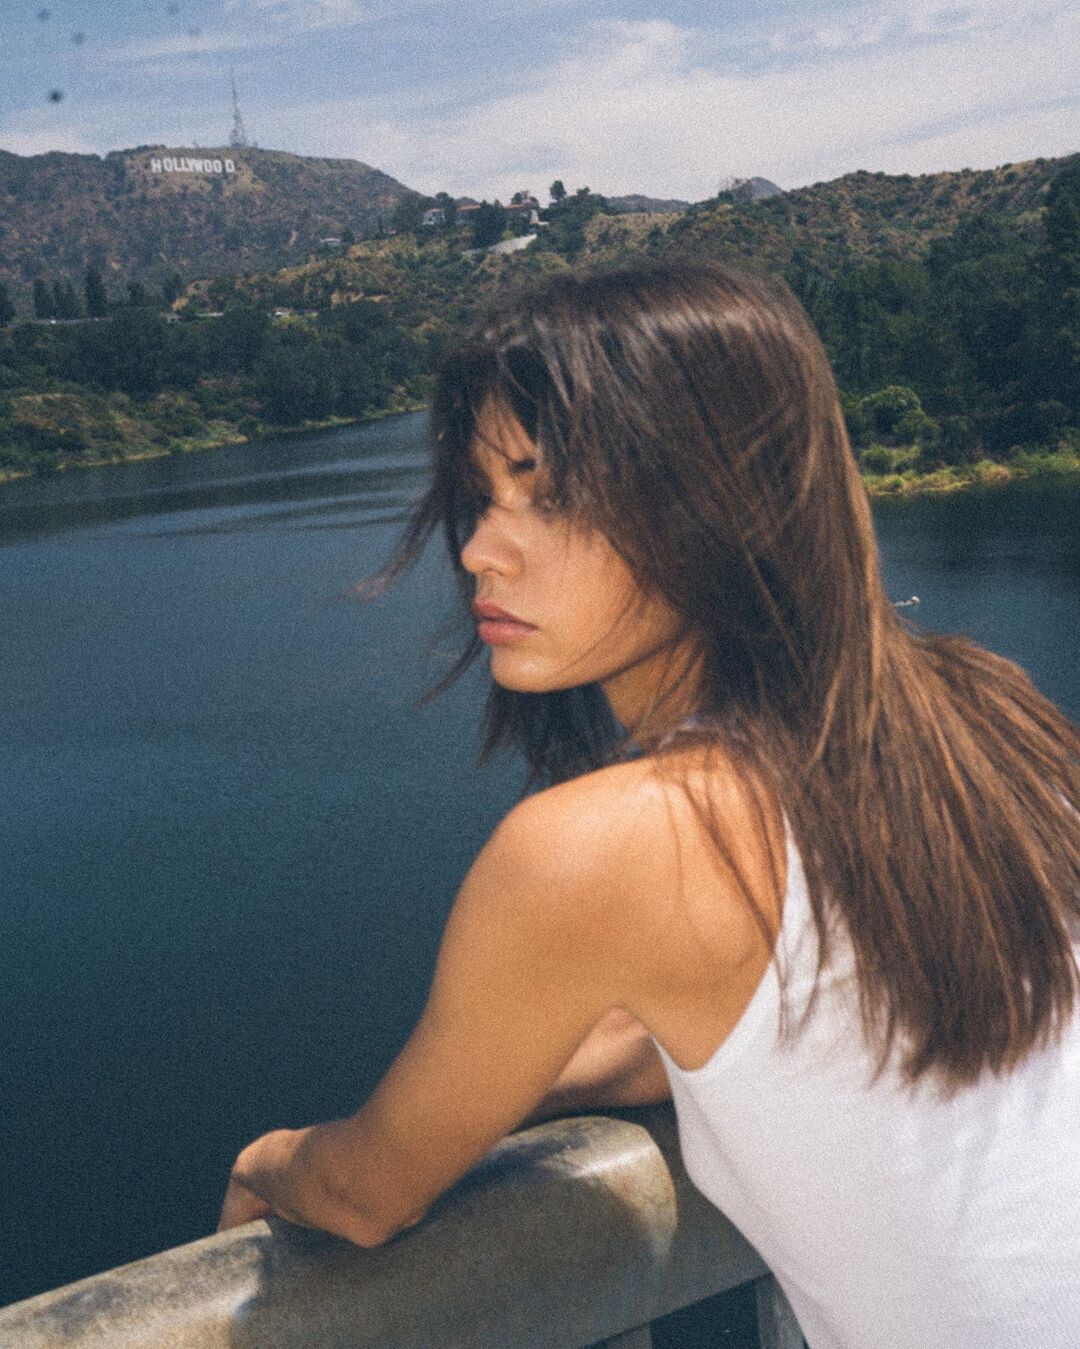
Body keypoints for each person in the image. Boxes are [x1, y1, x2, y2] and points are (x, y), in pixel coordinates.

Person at [217, 258, 1080, 1347]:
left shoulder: (603, 844)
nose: (480, 549)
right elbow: (800, 1008)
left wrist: (269, 1159)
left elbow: (362, 1192)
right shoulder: (991, 717)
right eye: (483, 496)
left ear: (717, 504)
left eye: (551, 495)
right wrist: (519, 1079)